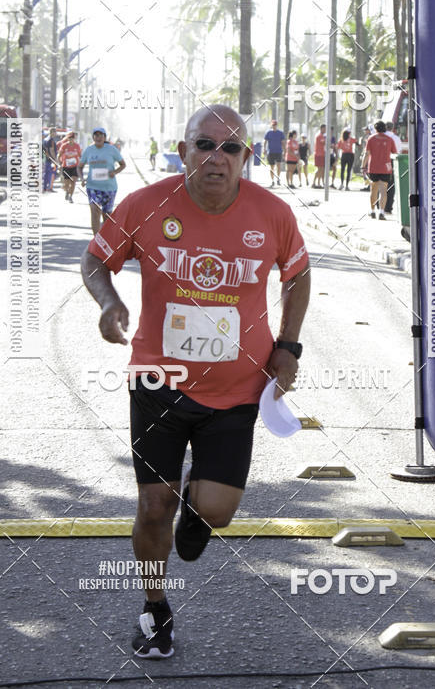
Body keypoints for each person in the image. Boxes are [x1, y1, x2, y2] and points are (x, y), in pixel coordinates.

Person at [80, 104, 310, 659]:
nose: (216, 158)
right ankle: (154, 609)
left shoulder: (271, 213)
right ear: (182, 151)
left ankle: (197, 500)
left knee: (218, 511)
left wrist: (288, 344)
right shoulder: (146, 204)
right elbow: (95, 260)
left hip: (237, 391)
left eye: (231, 148)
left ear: (246, 160)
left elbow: (298, 275)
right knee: (153, 506)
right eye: (204, 145)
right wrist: (109, 302)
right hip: (159, 379)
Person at [78, 127, 126, 235]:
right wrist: (82, 178)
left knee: (107, 215)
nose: (98, 137)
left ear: (104, 137)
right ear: (93, 137)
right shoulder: (89, 150)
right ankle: (96, 239)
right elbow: (79, 167)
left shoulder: (112, 149)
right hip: (93, 186)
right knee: (94, 210)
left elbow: (123, 164)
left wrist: (115, 172)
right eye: (96, 135)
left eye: (101, 135)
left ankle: (106, 238)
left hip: (109, 187)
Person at [361, 121, 397, 220]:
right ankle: (381, 212)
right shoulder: (390, 139)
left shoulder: (371, 139)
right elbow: (395, 153)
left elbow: (367, 154)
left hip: (373, 168)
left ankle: (372, 211)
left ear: (375, 129)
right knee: (383, 191)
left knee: (373, 190)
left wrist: (363, 166)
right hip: (386, 168)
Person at [384, 122, 402, 215]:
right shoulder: (396, 138)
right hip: (392, 161)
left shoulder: (380, 137)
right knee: (391, 185)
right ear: (392, 128)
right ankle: (388, 207)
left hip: (381, 161)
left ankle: (380, 206)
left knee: (381, 184)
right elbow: (399, 151)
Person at [58, 131, 82, 203]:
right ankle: (67, 192)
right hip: (66, 166)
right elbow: (59, 155)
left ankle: (71, 196)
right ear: (67, 139)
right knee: (66, 183)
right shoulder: (64, 146)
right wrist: (59, 164)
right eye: (70, 138)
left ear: (74, 139)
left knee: (73, 182)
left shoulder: (77, 146)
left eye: (72, 138)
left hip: (75, 166)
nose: (71, 139)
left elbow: (80, 156)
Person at [263, 119, 285, 187]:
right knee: (272, 167)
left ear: (277, 125)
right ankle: (272, 181)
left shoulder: (280, 133)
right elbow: (265, 141)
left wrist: (284, 151)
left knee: (279, 166)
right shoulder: (268, 133)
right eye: (273, 125)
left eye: (275, 125)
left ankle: (278, 179)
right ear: (271, 125)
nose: (274, 126)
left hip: (279, 151)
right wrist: (264, 149)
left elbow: (283, 142)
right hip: (271, 152)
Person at [42, 128, 59, 192]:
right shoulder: (51, 140)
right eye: (55, 132)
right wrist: (55, 160)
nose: (55, 134)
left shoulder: (45, 139)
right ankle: (49, 188)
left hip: (47, 159)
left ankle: (45, 187)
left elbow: (44, 150)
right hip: (51, 160)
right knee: (51, 174)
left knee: (46, 174)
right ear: (52, 132)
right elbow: (52, 150)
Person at [312, 124, 327, 188]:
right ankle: (314, 182)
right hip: (318, 154)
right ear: (321, 128)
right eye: (324, 128)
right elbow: (324, 142)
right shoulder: (319, 136)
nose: (325, 130)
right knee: (319, 169)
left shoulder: (323, 136)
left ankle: (318, 183)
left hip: (322, 154)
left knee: (321, 169)